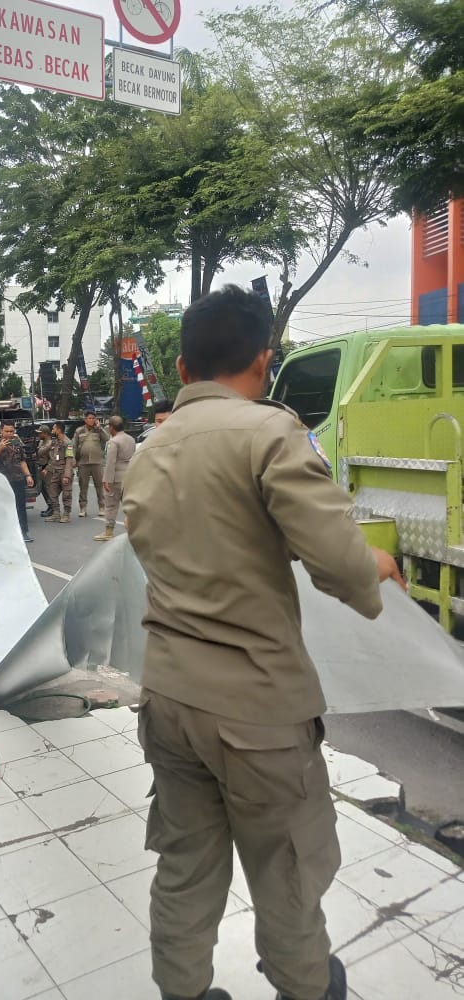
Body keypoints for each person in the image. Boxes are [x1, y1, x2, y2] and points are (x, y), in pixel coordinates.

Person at [123, 285, 406, 1000]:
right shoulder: (269, 433)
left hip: (169, 701)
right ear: (263, 360)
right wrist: (375, 566)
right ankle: (305, 989)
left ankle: (182, 992)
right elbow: (339, 562)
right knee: (286, 871)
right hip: (256, 714)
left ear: (183, 369)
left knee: (185, 866)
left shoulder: (149, 453)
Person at [0, 422, 35, 543]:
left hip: (18, 479)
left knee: (20, 507)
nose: (9, 434)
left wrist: (28, 475)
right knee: (2, 507)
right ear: (1, 431)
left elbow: (22, 461)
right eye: (7, 431)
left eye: (11, 431)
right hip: (2, 481)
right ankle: (3, 533)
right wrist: (0, 448)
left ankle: (24, 532)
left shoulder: (17, 444)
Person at [93, 415, 135, 542]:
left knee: (111, 505)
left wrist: (107, 480)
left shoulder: (114, 441)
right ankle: (134, 530)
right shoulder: (131, 439)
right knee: (129, 505)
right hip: (129, 475)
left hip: (116, 477)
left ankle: (108, 531)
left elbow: (110, 462)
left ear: (111, 427)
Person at [72, 410, 108, 517]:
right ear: (85, 419)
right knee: (83, 486)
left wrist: (99, 428)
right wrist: (73, 459)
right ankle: (83, 508)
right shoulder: (79, 431)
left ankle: (102, 507)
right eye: (89, 418)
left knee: (99, 486)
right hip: (83, 463)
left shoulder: (99, 430)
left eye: (93, 418)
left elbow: (107, 439)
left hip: (97, 462)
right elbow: (73, 445)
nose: (91, 420)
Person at [46, 421, 74, 523]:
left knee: (66, 494)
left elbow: (69, 460)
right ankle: (56, 514)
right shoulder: (56, 442)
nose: (52, 430)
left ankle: (66, 514)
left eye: (54, 428)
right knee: (52, 492)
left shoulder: (68, 443)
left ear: (58, 429)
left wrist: (67, 476)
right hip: (55, 472)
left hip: (64, 472)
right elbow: (53, 457)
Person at [35, 424, 54, 517]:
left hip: (47, 468)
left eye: (40, 433)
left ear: (45, 433)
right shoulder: (41, 442)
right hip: (41, 467)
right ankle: (49, 506)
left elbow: (53, 458)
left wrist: (47, 469)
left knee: (48, 488)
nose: (38, 435)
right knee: (42, 488)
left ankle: (53, 508)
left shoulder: (50, 443)